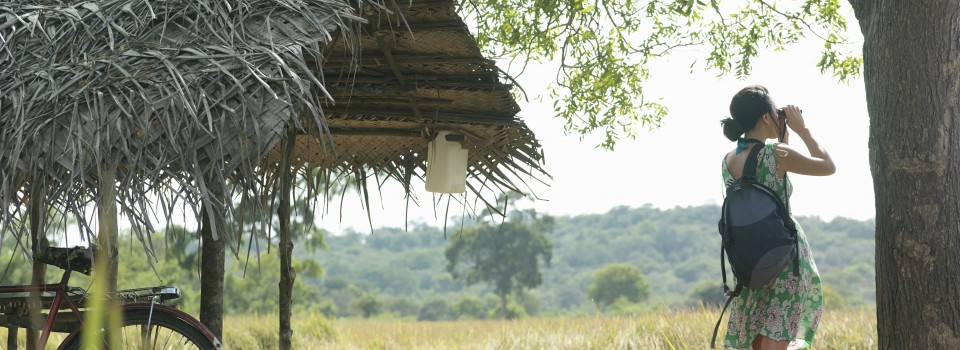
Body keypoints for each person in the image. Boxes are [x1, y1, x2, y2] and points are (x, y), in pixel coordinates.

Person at [719, 85, 835, 350]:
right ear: (765, 117)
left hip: (751, 262)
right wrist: (802, 129)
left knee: (757, 339)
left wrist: (782, 138)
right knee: (776, 335)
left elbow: (765, 182)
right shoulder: (778, 155)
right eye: (774, 112)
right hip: (785, 261)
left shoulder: (728, 161)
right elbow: (828, 166)